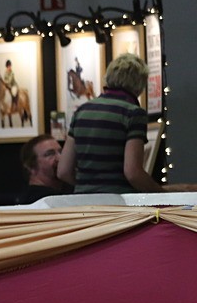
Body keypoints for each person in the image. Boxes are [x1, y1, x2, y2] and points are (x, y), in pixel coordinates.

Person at [58, 53, 196, 194]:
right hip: (118, 204)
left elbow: (63, 171)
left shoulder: (82, 111)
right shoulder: (133, 113)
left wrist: (89, 186)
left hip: (82, 203)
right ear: (140, 84)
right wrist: (160, 193)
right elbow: (133, 172)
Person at [18, 135, 72, 203]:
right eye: (50, 154)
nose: (60, 158)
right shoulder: (35, 201)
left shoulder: (64, 191)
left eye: (61, 152)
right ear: (31, 166)